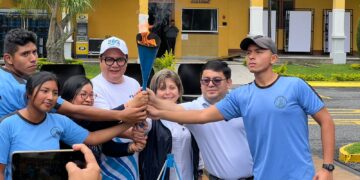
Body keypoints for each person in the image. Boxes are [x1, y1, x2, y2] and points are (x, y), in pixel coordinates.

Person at [147, 36, 335, 180]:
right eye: (249, 52)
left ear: (274, 58)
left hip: (299, 176)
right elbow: (202, 115)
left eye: (259, 51)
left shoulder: (295, 86)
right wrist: (156, 106)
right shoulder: (241, 96)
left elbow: (326, 121)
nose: (252, 56)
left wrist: (327, 167)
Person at [0, 71, 135, 179]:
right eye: (44, 91)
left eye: (55, 93)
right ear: (29, 93)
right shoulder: (7, 125)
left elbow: (92, 138)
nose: (50, 97)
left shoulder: (60, 121)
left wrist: (129, 122)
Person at [0, 28, 146, 123]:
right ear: (8, 59)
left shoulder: (23, 79)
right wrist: (124, 111)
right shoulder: (20, 87)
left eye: (34, 52)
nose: (33, 58)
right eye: (25, 54)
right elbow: (74, 110)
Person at [91, 36, 148, 180]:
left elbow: (143, 115)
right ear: (100, 60)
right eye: (109, 59)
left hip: (133, 157)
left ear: (126, 61)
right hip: (106, 159)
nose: (115, 64)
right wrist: (133, 131)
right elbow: (104, 122)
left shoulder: (134, 83)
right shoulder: (93, 87)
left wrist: (142, 127)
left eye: (120, 59)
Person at [60, 75, 147, 160]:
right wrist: (129, 106)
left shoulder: (90, 120)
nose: (89, 99)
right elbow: (97, 124)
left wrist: (131, 147)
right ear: (69, 97)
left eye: (91, 95)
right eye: (83, 94)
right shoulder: (65, 122)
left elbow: (108, 147)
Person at [139, 69, 201, 180]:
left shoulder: (189, 114)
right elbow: (141, 127)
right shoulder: (150, 118)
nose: (168, 92)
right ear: (154, 92)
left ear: (179, 91)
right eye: (162, 88)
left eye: (172, 88)